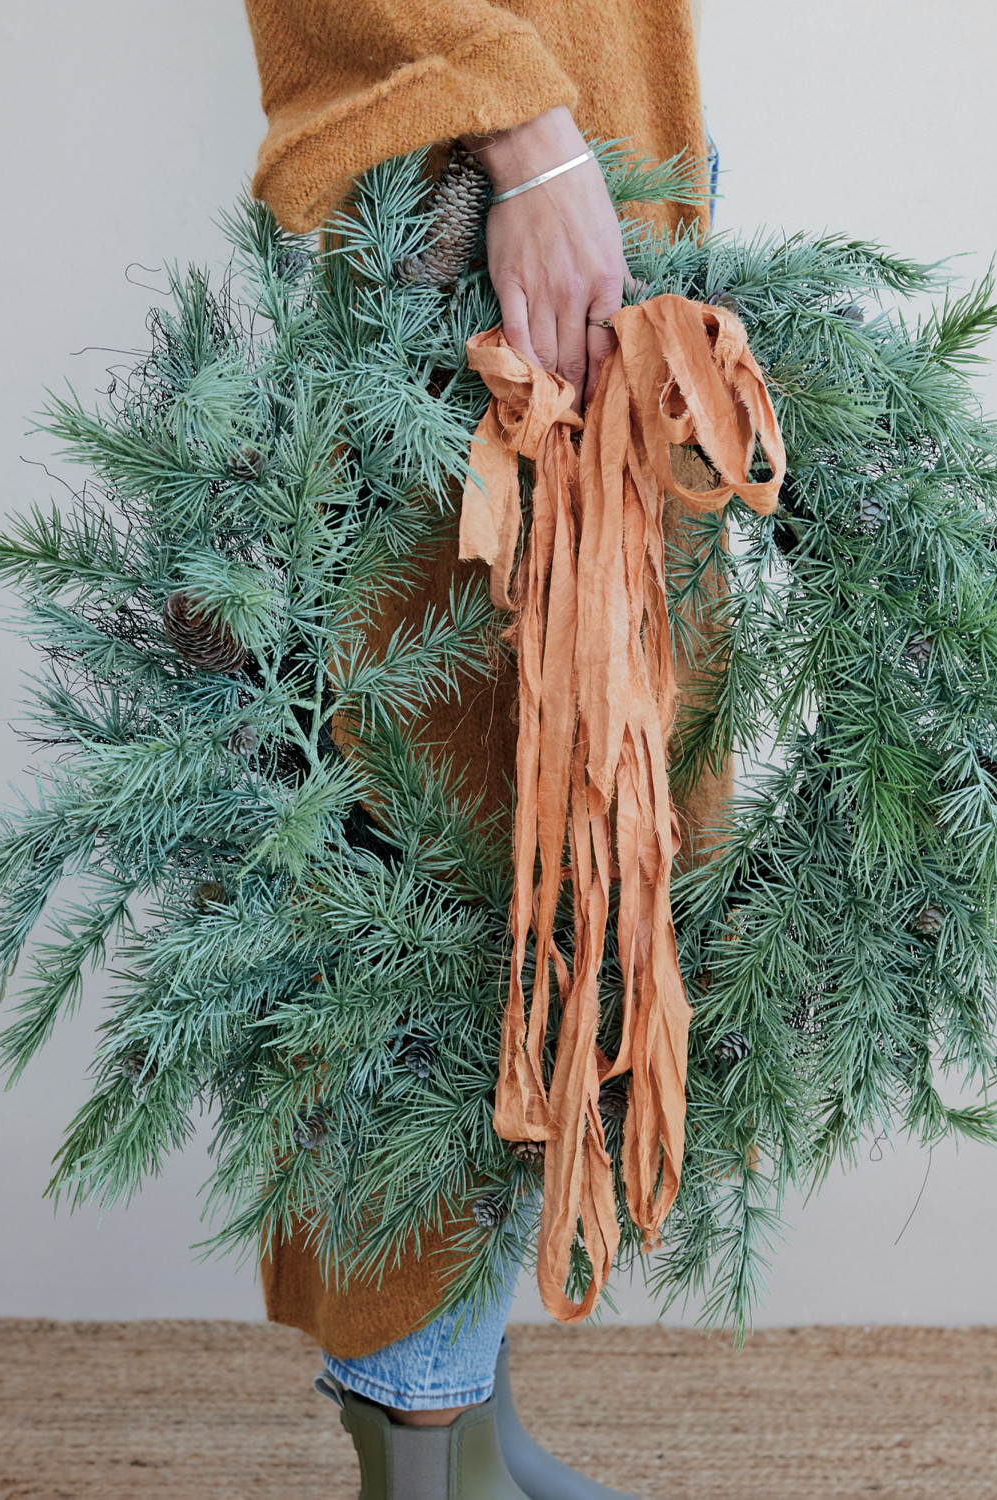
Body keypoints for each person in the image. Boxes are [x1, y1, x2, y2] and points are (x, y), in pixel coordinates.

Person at [240, 2, 712, 1494]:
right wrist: (525, 138)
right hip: (472, 225)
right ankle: (421, 1451)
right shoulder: (510, 156)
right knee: (447, 871)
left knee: (566, 858)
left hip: (595, 205)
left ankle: (477, 1436)